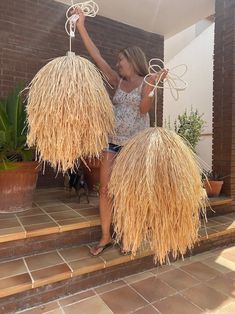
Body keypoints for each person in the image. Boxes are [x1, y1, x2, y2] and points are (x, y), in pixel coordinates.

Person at [75, 8, 167, 256]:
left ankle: (129, 235)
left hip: (134, 149)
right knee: (105, 191)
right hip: (113, 143)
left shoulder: (147, 81)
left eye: (120, 60)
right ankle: (106, 237)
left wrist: (151, 89)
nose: (117, 64)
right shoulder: (118, 81)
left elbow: (144, 109)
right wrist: (81, 25)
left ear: (133, 60)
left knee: (130, 193)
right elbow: (97, 59)